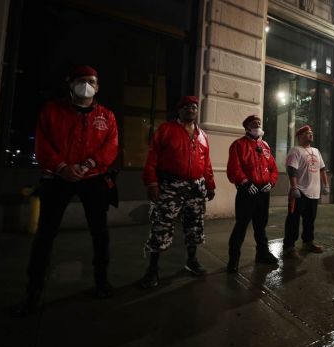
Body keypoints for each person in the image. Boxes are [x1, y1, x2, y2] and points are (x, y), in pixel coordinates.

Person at [15, 65, 119, 316]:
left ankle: (102, 281)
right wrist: (62, 167)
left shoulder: (107, 116)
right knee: (45, 235)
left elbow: (111, 145)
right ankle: (33, 292)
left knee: (100, 232)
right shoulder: (51, 111)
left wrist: (88, 165)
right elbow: (42, 145)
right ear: (70, 83)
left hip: (92, 177)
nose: (87, 85)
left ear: (98, 86)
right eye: (81, 80)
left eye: (91, 81)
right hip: (57, 178)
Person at [139, 96, 216, 289]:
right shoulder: (166, 130)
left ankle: (191, 261)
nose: (191, 109)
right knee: (161, 226)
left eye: (194, 107)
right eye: (187, 107)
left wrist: (210, 184)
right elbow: (152, 157)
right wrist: (152, 183)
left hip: (196, 188)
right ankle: (152, 269)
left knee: (195, 226)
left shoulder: (202, 135)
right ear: (179, 111)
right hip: (170, 186)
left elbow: (206, 163)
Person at [226, 115, 279, 273]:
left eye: (259, 122)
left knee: (260, 226)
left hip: (263, 192)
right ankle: (233, 259)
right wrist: (245, 183)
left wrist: (271, 182)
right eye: (253, 123)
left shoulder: (265, 146)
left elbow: (273, 168)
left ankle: (262, 254)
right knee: (241, 225)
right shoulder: (238, 145)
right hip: (247, 192)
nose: (257, 124)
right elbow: (234, 168)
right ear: (247, 127)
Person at [283, 125, 330, 258]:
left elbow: (322, 169)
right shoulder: (295, 150)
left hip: (314, 193)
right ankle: (289, 246)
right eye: (307, 133)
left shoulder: (316, 151)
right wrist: (294, 187)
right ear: (300, 136)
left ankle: (308, 242)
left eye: (311, 132)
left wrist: (326, 185)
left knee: (310, 220)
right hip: (300, 192)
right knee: (293, 220)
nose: (311, 134)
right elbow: (291, 170)